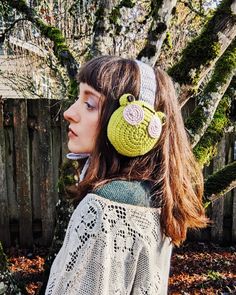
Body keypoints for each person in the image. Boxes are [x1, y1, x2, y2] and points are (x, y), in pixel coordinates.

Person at [45, 56, 208, 295]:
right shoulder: (156, 196)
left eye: (90, 104)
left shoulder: (105, 208)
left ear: (133, 124)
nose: (69, 113)